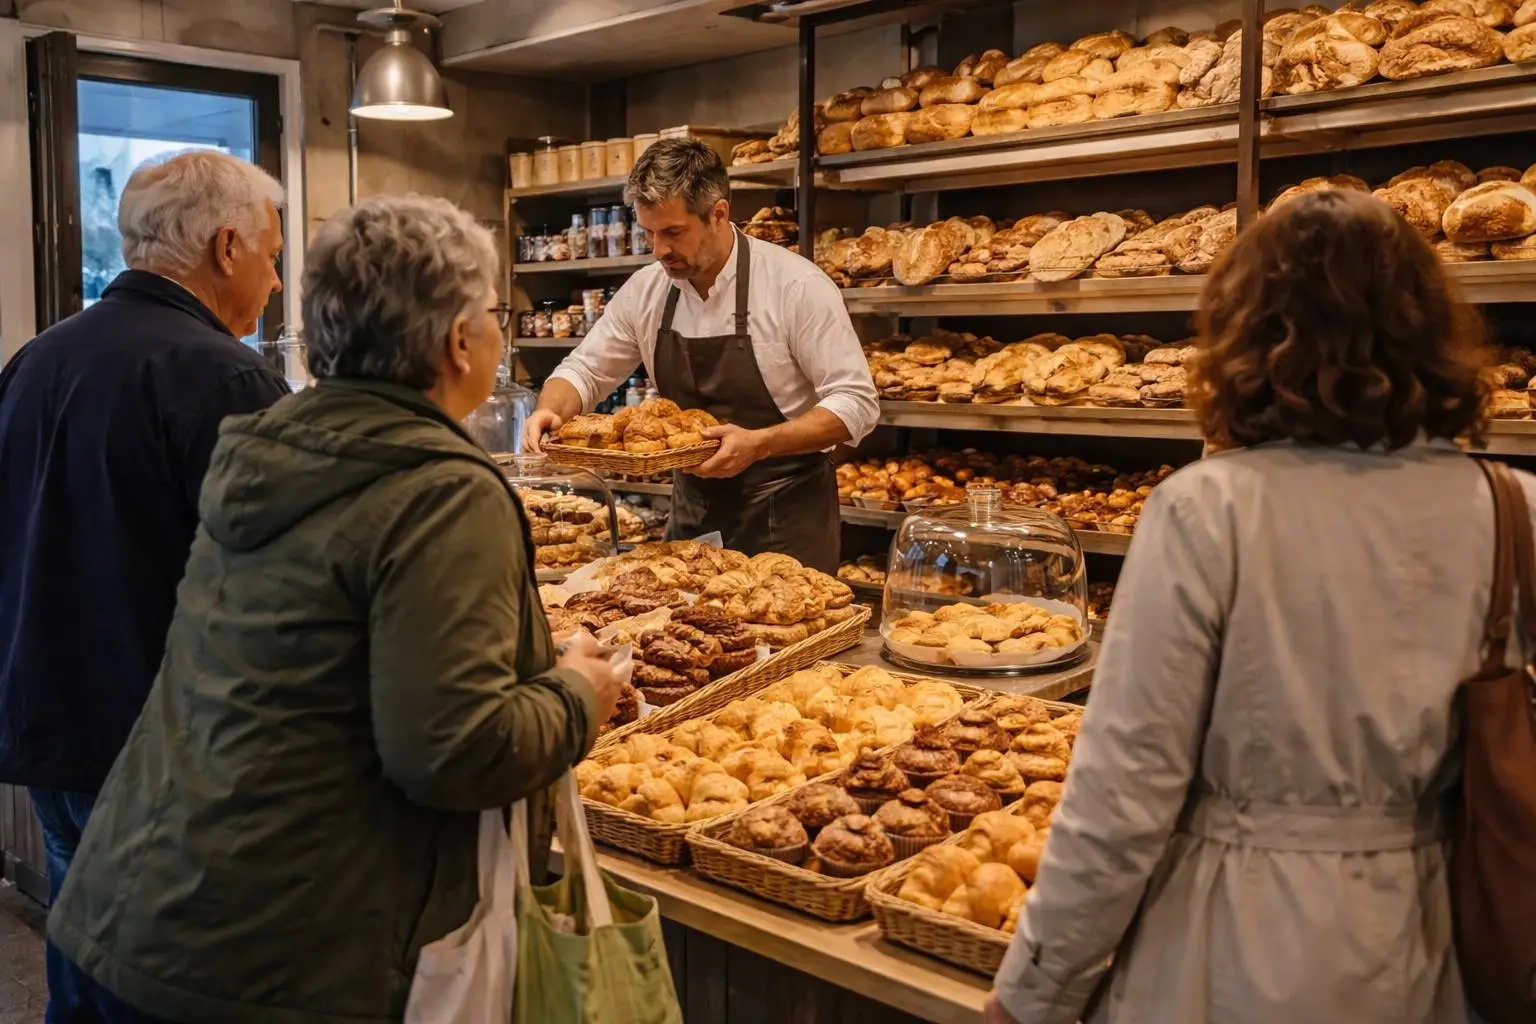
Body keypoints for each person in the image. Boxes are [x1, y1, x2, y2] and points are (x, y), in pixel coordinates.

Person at [47, 194, 624, 1024]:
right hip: (273, 959)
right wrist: (577, 693)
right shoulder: (440, 491)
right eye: (494, 316)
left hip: (135, 905)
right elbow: (453, 752)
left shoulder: (268, 447)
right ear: (458, 340)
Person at [987, 189, 1511, 1024]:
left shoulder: (1208, 510)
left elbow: (1125, 791)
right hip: (1444, 929)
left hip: (1236, 932)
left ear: (1248, 329)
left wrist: (1034, 993)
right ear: (1435, 329)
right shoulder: (1513, 511)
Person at [0, 151, 291, 1020]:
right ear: (226, 247)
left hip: (50, 735)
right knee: (168, 986)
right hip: (165, 754)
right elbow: (286, 588)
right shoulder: (229, 379)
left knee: (83, 948)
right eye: (273, 256)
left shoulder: (35, 360)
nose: (277, 282)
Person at [523, 138, 878, 572]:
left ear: (719, 214)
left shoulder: (796, 287)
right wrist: (550, 409)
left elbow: (856, 403)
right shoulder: (647, 291)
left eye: (673, 232)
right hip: (691, 516)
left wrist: (761, 443)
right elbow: (584, 371)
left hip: (785, 516)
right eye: (648, 233)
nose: (658, 250)